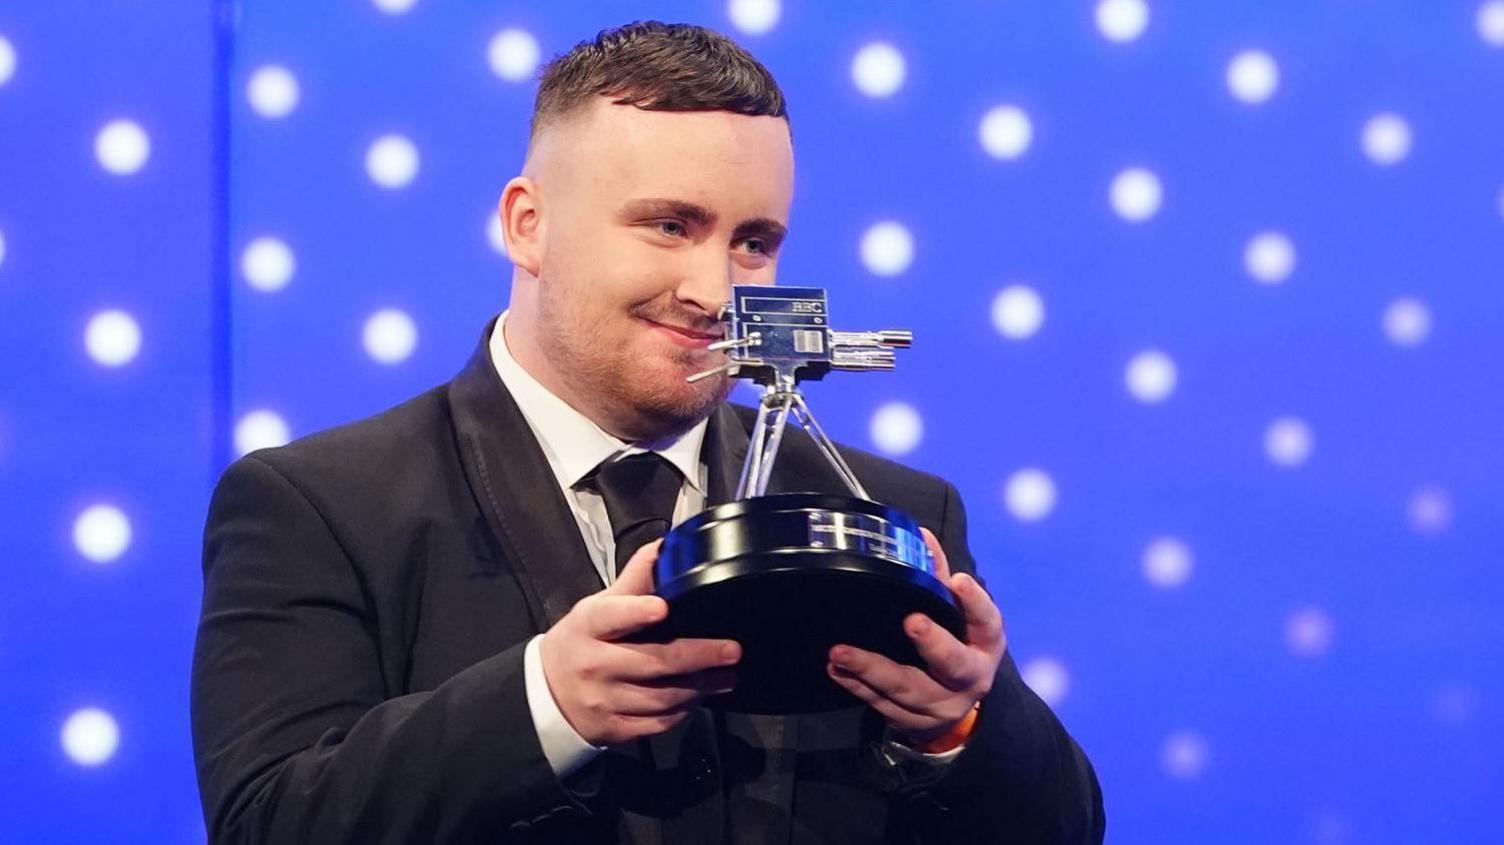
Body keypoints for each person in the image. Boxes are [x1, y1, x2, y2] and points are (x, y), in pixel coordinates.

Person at [190, 20, 1104, 844]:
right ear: (527, 225)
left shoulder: (893, 511)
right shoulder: (318, 506)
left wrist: (961, 730)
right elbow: (272, 819)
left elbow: (1063, 829)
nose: (716, 290)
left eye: (754, 241)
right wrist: (545, 705)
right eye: (670, 226)